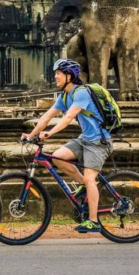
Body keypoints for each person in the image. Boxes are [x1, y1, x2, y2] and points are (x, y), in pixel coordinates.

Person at [24, 58, 112, 234]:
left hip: (98, 142)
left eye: (58, 73)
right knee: (58, 157)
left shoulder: (81, 93)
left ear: (69, 76)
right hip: (84, 139)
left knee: (89, 178)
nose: (55, 76)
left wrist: (50, 133)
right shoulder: (66, 96)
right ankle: (84, 185)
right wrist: (31, 135)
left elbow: (68, 117)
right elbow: (47, 116)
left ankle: (93, 221)